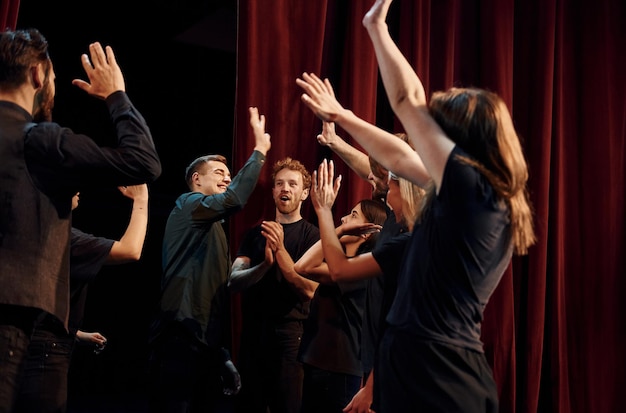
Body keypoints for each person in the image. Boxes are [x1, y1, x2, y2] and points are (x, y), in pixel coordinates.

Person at [296, 0, 537, 411]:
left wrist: (377, 28)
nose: (429, 136)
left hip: (438, 368)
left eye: (438, 128)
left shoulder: (475, 189)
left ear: (464, 138)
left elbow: (408, 101)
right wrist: (345, 119)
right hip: (424, 362)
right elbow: (398, 158)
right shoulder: (470, 193)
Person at [0, 28, 161, 412]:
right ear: (38, 74)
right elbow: (143, 162)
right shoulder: (38, 140)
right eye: (53, 77)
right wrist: (115, 95)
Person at [148, 106, 271, 413]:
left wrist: (222, 355)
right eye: (219, 173)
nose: (227, 179)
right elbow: (235, 199)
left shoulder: (212, 226)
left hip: (202, 342)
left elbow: (219, 289)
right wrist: (259, 150)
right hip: (180, 336)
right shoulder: (189, 205)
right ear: (195, 179)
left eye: (229, 176)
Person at [15, 184, 149, 413]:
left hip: (33, 341)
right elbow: (131, 250)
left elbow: (34, 297)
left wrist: (76, 333)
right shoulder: (65, 237)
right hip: (47, 349)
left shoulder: (29, 232)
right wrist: (141, 200)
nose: (77, 189)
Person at [294, 159, 387, 413]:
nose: (346, 217)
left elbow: (304, 267)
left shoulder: (362, 269)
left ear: (367, 230)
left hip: (342, 369)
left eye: (353, 216)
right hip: (317, 360)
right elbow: (302, 266)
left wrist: (337, 227)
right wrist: (340, 229)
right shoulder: (345, 263)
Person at [228, 157, 320, 413]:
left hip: (290, 335)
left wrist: (279, 252)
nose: (285, 188)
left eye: (292, 184)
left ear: (304, 193)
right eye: (279, 183)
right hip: (253, 334)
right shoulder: (255, 233)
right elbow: (233, 281)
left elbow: (309, 290)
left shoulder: (313, 236)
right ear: (273, 191)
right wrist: (264, 266)